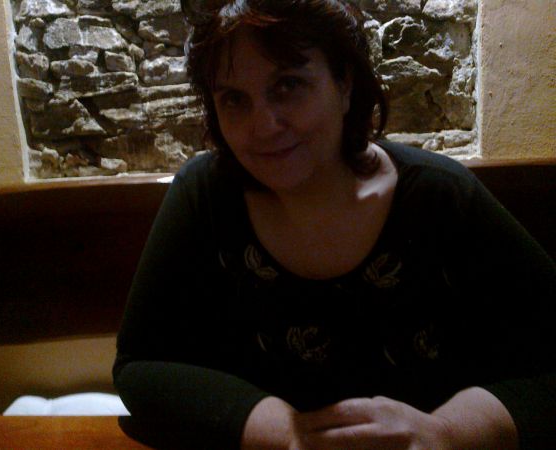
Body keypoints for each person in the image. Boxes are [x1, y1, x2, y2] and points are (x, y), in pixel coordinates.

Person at [113, 1, 556, 449]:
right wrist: (284, 432)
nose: (262, 126)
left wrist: (448, 432)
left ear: (344, 84)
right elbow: (140, 366)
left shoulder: (441, 197)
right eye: (234, 99)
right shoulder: (204, 196)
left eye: (288, 85)